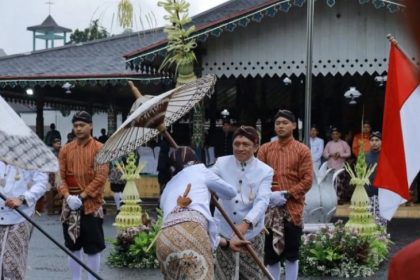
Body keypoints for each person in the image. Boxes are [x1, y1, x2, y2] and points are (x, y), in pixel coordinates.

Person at [157, 146, 249, 279]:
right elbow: (231, 192)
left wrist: (228, 243)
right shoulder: (200, 170)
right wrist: (212, 190)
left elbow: (182, 224)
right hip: (192, 232)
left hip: (164, 239)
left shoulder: (168, 187)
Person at [257, 110, 313, 280]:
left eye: (285, 123)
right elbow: (258, 176)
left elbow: (308, 179)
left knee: (291, 253)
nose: (280, 126)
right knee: (271, 254)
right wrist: (269, 196)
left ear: (294, 126)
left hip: (293, 209)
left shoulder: (302, 150)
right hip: (269, 209)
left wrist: (287, 194)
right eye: (277, 123)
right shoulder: (265, 149)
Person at [213, 126, 273, 280]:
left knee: (252, 274)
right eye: (236, 144)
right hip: (224, 229)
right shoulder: (221, 163)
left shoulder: (265, 171)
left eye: (245, 144)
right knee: (223, 274)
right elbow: (206, 181)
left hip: (251, 231)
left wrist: (246, 223)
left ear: (256, 147)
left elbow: (262, 201)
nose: (240, 148)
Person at [58, 111, 109, 280]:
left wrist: (82, 196)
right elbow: (60, 176)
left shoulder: (100, 148)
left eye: (82, 125)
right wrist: (67, 196)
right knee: (73, 246)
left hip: (91, 204)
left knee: (93, 246)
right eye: (75, 126)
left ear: (91, 126)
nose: (78, 129)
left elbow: (101, 176)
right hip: (69, 204)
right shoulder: (65, 149)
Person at [0, 161, 48, 280]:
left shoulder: (31, 157)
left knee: (11, 266)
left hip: (19, 217)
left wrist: (23, 198)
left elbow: (41, 183)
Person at [365, 131, 387, 228]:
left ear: (381, 142)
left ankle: (382, 237)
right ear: (369, 142)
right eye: (372, 140)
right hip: (368, 189)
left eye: (377, 140)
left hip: (382, 189)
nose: (374, 142)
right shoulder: (365, 156)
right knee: (368, 215)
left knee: (381, 215)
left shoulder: (386, 155)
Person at [323, 127, 351, 203]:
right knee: (331, 183)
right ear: (331, 135)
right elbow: (324, 154)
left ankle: (340, 199)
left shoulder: (344, 143)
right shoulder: (329, 144)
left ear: (340, 134)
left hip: (340, 167)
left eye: (336, 134)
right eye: (333, 134)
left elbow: (348, 153)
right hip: (331, 167)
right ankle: (331, 199)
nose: (335, 135)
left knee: (340, 184)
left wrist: (340, 154)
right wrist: (331, 154)